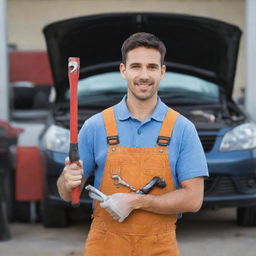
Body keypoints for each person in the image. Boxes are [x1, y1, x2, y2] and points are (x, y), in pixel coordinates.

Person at [57, 32, 209, 256]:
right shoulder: (95, 126)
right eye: (136, 66)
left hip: (160, 246)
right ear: (123, 70)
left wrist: (137, 201)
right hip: (105, 246)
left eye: (152, 67)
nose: (144, 75)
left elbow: (194, 199)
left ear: (162, 72)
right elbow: (69, 194)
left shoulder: (182, 128)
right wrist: (66, 180)